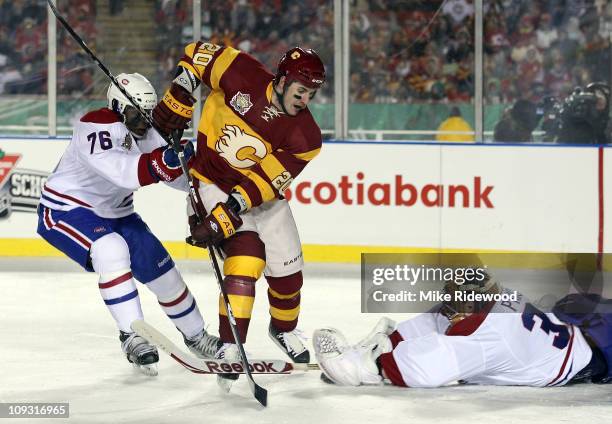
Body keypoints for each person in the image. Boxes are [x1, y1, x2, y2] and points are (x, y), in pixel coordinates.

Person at [151, 43, 325, 389]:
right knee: (246, 258)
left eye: (312, 94)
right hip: (211, 182)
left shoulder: (307, 136)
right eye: (301, 90)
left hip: (259, 198)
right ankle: (231, 346)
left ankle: (284, 329)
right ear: (283, 79)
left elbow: (266, 180)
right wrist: (183, 90)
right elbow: (196, 54)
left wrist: (228, 213)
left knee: (289, 272)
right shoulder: (242, 71)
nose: (305, 99)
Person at [36, 73, 221, 376]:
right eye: (136, 113)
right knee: (111, 250)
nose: (143, 121)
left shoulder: (148, 131)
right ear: (118, 107)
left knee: (164, 273)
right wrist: (164, 160)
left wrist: (187, 161)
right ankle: (132, 334)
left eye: (148, 113)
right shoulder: (96, 124)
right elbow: (123, 172)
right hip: (67, 208)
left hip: (118, 213)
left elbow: (179, 181)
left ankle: (197, 336)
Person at [313, 272, 611, 388]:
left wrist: (370, 366)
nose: (450, 308)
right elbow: (438, 318)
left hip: (594, 355)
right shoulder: (500, 298)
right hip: (579, 327)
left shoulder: (488, 339)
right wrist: (387, 341)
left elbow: (420, 370)